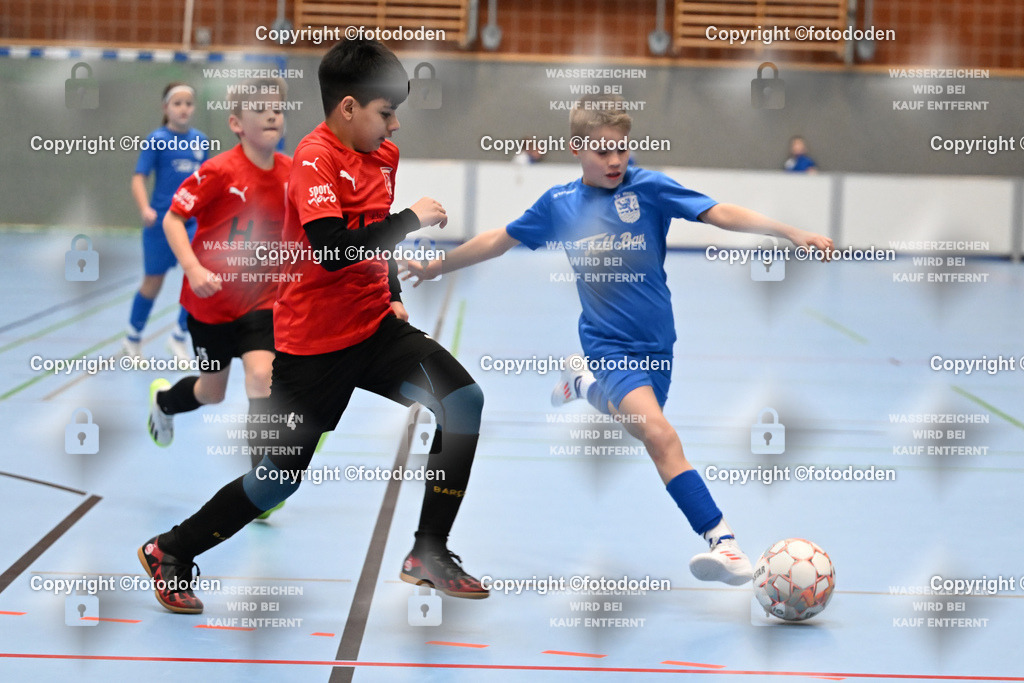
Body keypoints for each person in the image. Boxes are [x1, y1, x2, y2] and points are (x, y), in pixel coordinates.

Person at [404, 94, 834, 587]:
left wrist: (790, 233)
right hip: (608, 345)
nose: (614, 160)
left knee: (639, 428)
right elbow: (500, 238)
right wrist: (437, 266)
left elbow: (718, 213)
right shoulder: (561, 205)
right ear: (576, 149)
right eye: (602, 151)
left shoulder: (648, 188)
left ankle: (582, 386)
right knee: (660, 435)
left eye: (622, 150)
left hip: (659, 347)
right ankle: (724, 541)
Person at [138, 39, 488, 615]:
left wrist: (393, 292)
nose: (395, 126)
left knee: (463, 401)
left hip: (374, 328)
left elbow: (372, 234)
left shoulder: (384, 157)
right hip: (312, 348)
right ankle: (169, 549)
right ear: (347, 108)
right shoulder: (313, 159)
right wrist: (412, 220)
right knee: (276, 481)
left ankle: (429, 550)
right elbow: (330, 249)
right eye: (385, 113)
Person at [147, 78, 292, 519]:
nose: (271, 115)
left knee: (261, 379)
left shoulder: (292, 173)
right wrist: (193, 268)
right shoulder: (219, 171)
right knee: (212, 392)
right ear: (236, 123)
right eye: (260, 109)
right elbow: (174, 219)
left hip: (260, 302)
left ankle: (259, 490)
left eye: (278, 109)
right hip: (209, 308)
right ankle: (164, 403)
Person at [125, 82, 210, 361]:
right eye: (177, 103)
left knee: (197, 279)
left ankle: (178, 337)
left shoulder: (200, 141)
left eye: (188, 103)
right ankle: (132, 338)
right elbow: (139, 177)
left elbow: (207, 182)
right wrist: (144, 208)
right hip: (162, 223)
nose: (184, 108)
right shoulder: (157, 139)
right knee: (153, 282)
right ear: (166, 108)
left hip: (193, 223)